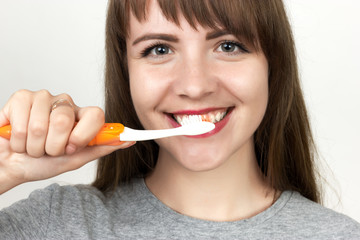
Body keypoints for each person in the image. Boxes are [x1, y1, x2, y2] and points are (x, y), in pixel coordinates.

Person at [0, 0, 359, 239]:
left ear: (272, 67)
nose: (195, 85)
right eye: (159, 49)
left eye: (229, 46)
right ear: (126, 73)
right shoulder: (55, 224)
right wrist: (4, 170)